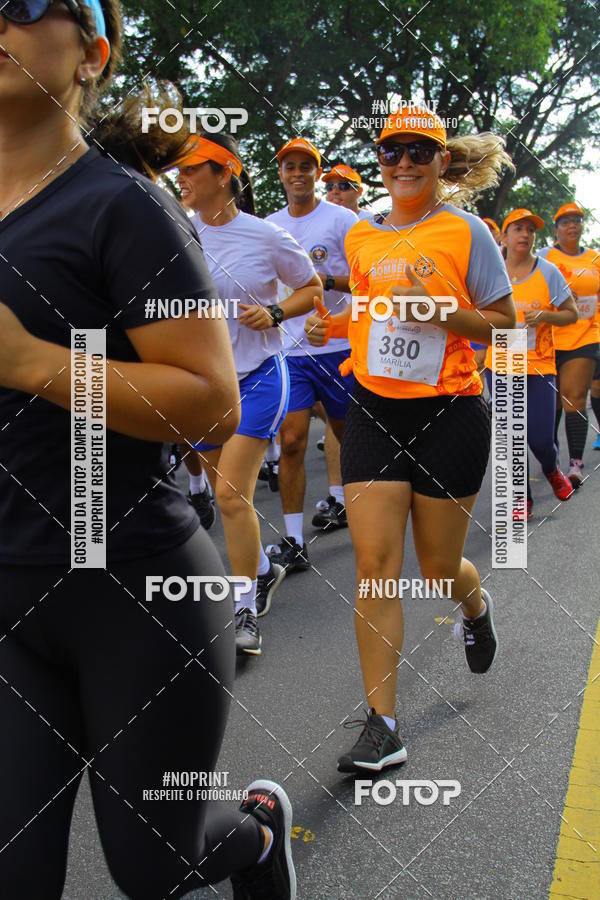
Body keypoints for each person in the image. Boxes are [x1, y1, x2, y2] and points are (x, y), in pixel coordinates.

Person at [0, 2, 295, 897]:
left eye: (23, 4)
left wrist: (29, 361)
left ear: (91, 55)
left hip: (133, 582)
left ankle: (258, 831)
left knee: (155, 862)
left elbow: (210, 402)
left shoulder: (122, 209)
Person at [305, 106, 516, 772]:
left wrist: (443, 308)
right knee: (374, 565)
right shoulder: (364, 236)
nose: (403, 162)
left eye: (417, 152)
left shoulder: (468, 233)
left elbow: (503, 327)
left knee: (437, 569)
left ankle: (473, 606)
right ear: (380, 156)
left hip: (449, 413)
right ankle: (383, 725)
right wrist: (328, 332)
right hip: (373, 412)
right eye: (392, 150)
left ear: (440, 161)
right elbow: (367, 315)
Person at [174, 131, 322, 650]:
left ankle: (243, 611)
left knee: (232, 495)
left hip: (260, 374)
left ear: (225, 173)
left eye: (193, 168)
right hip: (205, 384)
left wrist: (278, 311)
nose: (182, 176)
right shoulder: (177, 232)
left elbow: (312, 288)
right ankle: (261, 567)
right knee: (222, 490)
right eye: (179, 168)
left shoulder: (265, 236)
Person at [265, 138, 357, 569]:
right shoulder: (269, 225)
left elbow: (366, 283)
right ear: (280, 173)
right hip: (290, 351)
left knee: (348, 437)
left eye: (306, 166)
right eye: (289, 167)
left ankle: (362, 512)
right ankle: (294, 539)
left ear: (318, 174)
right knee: (293, 441)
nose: (298, 173)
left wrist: (326, 282)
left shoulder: (341, 219)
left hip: (338, 347)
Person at [484, 209, 577, 518]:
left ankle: (551, 469)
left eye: (530, 230)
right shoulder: (489, 271)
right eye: (518, 228)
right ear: (505, 236)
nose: (525, 234)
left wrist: (548, 316)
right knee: (510, 436)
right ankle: (521, 498)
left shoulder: (548, 271)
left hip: (539, 367)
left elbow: (572, 313)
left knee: (539, 437)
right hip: (500, 365)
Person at [538, 204, 600, 486]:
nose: (572, 225)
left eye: (576, 221)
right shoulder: (544, 258)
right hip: (548, 340)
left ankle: (576, 465)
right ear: (556, 229)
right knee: (552, 405)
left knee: (574, 396)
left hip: (586, 336)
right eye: (565, 222)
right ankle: (553, 462)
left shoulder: (594, 258)